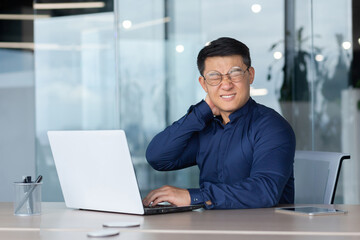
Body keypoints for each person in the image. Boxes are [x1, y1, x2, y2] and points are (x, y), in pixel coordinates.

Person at [142, 37, 296, 209]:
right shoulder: (207, 127)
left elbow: (264, 191)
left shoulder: (272, 127)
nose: (226, 84)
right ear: (204, 83)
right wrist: (201, 112)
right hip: (211, 228)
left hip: (260, 230)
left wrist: (192, 197)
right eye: (214, 77)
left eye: (235, 73)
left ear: (250, 75)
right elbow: (158, 157)